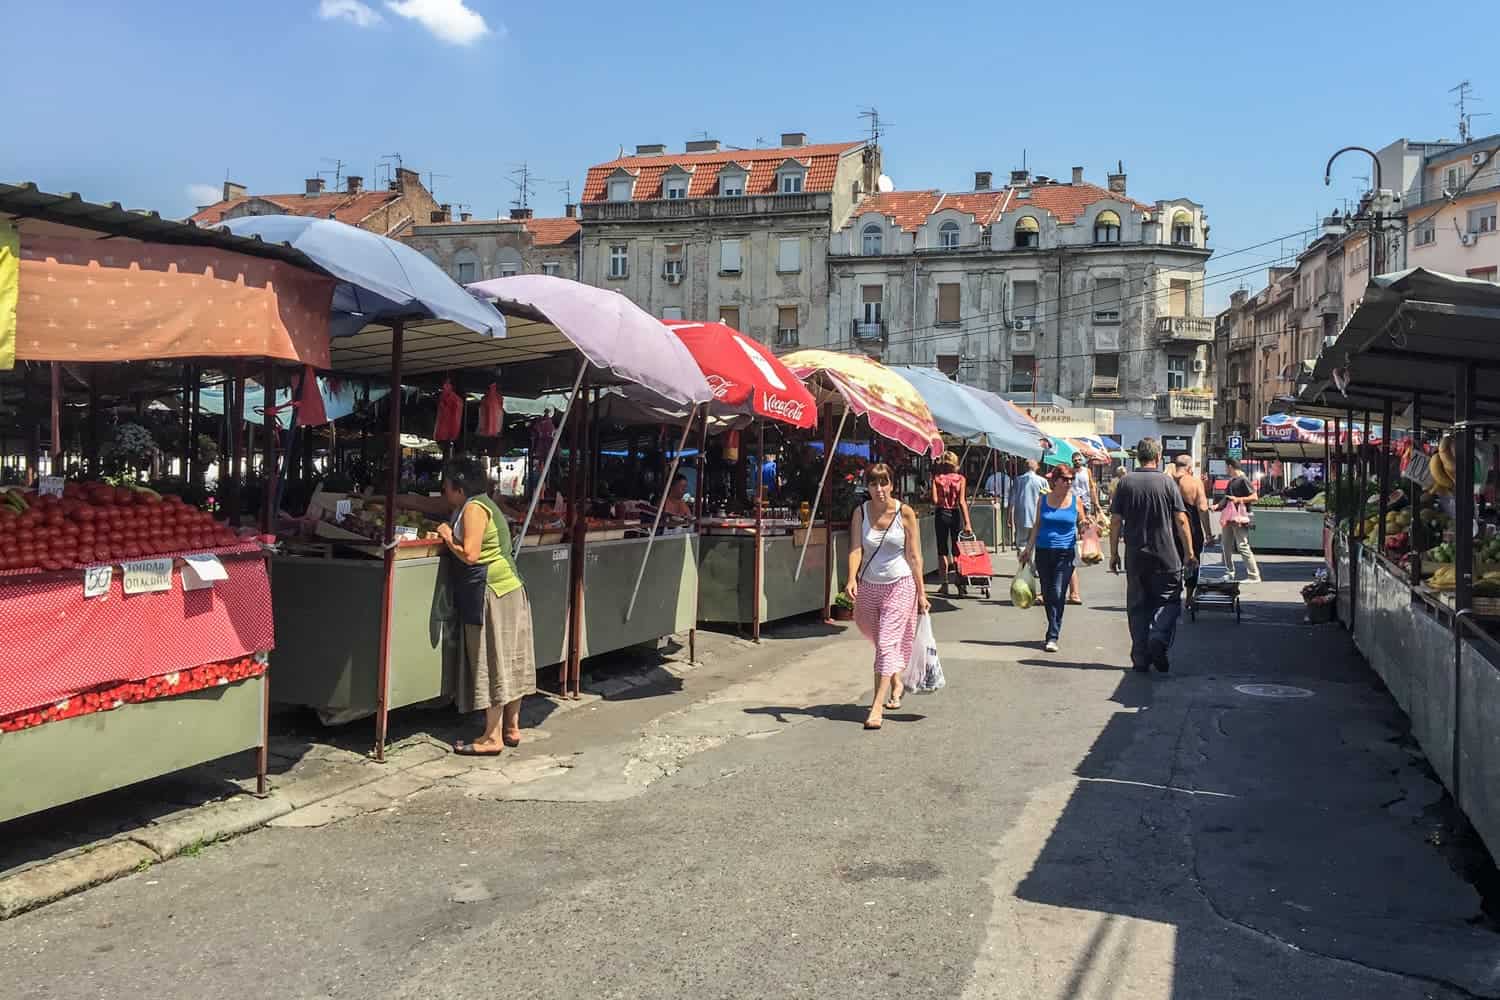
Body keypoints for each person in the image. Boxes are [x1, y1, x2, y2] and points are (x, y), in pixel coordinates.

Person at [432, 459, 537, 756]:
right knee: (512, 657)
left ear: (458, 488)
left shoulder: (475, 508)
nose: (444, 492)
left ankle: (492, 737)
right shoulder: (486, 503)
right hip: (510, 588)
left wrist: (447, 536)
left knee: (493, 660)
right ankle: (511, 727)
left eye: (447, 487)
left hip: (492, 590)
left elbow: (470, 554)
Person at [845, 463, 928, 731]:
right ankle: (895, 678)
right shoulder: (860, 512)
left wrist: (922, 593)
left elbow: (914, 556)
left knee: (886, 644)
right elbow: (856, 548)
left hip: (900, 584)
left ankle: (876, 706)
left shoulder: (905, 513)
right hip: (869, 585)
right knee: (877, 636)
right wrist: (850, 578)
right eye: (873, 484)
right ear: (867, 487)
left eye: (884, 483)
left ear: (892, 484)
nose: (879, 490)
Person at [1109, 438, 1196, 674]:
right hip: (1165, 555)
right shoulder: (1167, 483)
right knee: (1168, 600)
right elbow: (1181, 519)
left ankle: (1140, 657)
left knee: (1138, 606)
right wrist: (1189, 553)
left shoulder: (1125, 483)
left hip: (1136, 556)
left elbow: (1116, 521)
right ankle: (1158, 637)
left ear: (1138, 457)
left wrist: (1114, 553)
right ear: (1158, 458)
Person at [1020, 463, 1085, 653]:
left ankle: (1052, 634)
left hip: (1065, 552)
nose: (1069, 483)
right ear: (1055, 481)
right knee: (1048, 593)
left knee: (1057, 592)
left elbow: (1082, 524)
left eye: (1071, 480)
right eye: (1065, 479)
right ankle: (1053, 626)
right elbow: (1037, 526)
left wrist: (1086, 525)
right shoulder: (1043, 500)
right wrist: (1028, 549)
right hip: (1043, 550)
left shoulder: (1076, 501)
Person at [1170, 455, 1214, 603]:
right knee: (1192, 561)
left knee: (1171, 561)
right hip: (1191, 529)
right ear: (1189, 468)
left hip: (1169, 529)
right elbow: (1202, 508)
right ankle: (1189, 596)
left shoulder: (1166, 480)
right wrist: (1208, 534)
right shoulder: (1195, 482)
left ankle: (1172, 593)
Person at [930, 451, 972, 596]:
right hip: (955, 514)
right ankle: (960, 585)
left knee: (942, 550)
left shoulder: (936, 479)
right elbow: (962, 501)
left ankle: (944, 583)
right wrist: (967, 523)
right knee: (957, 550)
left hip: (941, 513)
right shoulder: (961, 479)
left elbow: (934, 501)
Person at [1216, 457, 1262, 583]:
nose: (1225, 469)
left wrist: (1239, 499)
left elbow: (1254, 497)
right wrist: (1217, 506)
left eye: (1226, 466)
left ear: (1230, 466)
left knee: (1242, 546)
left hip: (1239, 518)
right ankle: (1229, 573)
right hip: (1229, 517)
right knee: (1226, 545)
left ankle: (1254, 575)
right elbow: (1227, 498)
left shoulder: (1243, 480)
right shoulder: (1232, 481)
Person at [1066, 453, 1098, 605]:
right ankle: (1079, 550)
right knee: (1077, 532)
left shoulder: (1087, 471)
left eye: (1079, 459)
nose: (1077, 461)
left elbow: (1091, 487)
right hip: (1072, 503)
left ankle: (1086, 551)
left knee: (1085, 531)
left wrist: (1095, 504)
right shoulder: (1070, 473)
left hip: (1084, 503)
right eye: (1075, 460)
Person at [1009, 460, 1047, 552]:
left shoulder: (1018, 480)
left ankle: (1024, 562)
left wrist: (1009, 517)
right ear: (1037, 467)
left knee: (1022, 543)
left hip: (1021, 516)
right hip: (1037, 516)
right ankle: (1033, 563)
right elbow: (1047, 499)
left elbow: (1012, 500)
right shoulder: (1043, 481)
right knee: (1035, 542)